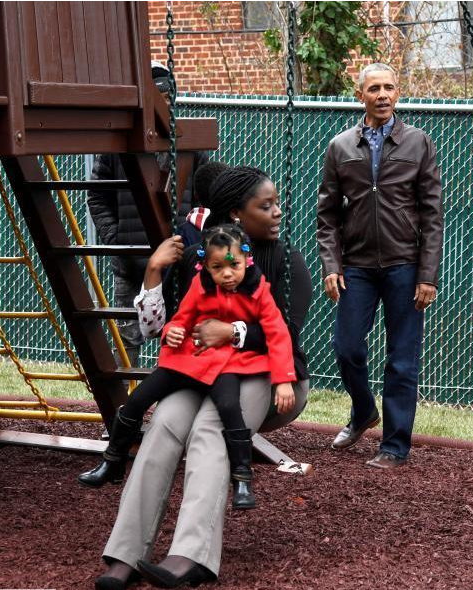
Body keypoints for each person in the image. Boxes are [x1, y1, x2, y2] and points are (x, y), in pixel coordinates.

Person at [94, 165, 312, 590]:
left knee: (210, 430)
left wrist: (230, 332)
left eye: (276, 204)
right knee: (163, 425)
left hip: (267, 373)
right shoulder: (199, 255)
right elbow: (157, 328)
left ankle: (189, 556)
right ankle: (125, 552)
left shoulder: (285, 260)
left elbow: (283, 334)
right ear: (235, 215)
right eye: (266, 206)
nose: (278, 213)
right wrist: (153, 272)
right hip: (200, 368)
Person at [78, 224, 297, 512]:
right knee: (137, 400)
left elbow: (277, 334)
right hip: (189, 358)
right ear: (205, 266)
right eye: (217, 267)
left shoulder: (259, 290)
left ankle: (242, 479)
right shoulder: (200, 285)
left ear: (247, 260)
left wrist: (283, 380)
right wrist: (173, 330)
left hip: (226, 363)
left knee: (230, 408)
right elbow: (182, 317)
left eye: (234, 265)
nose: (227, 274)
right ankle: (112, 461)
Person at [316, 63, 443, 469]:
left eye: (389, 87)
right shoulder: (340, 147)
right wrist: (332, 265)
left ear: (398, 93)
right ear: (360, 96)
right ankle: (363, 410)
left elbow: (432, 214)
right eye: (374, 89)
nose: (383, 95)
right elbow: (327, 216)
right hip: (356, 265)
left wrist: (428, 275)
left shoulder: (418, 142)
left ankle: (394, 446)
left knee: (402, 359)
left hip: (405, 265)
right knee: (346, 347)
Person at [87, 61, 209, 367]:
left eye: (167, 97)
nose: (163, 105)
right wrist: (117, 239)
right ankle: (123, 392)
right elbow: (97, 195)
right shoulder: (118, 145)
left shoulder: (189, 143)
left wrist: (191, 240)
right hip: (130, 258)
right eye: (157, 97)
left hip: (178, 258)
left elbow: (205, 199)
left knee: (179, 331)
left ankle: (169, 388)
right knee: (127, 338)